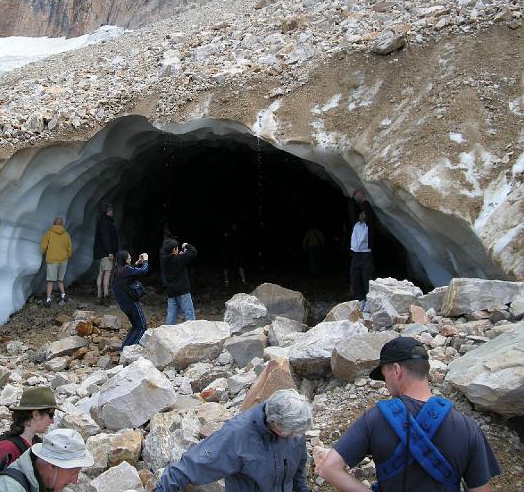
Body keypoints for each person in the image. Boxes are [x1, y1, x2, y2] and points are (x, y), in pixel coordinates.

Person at [317, 337, 502, 491]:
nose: (385, 384)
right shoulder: (468, 427)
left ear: (396, 370)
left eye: (385, 375)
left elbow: (329, 468)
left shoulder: (374, 419)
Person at [154, 389, 313, 492]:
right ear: (275, 424)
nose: (296, 437)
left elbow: (298, 473)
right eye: (292, 433)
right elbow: (187, 468)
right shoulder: (236, 436)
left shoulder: (294, 431)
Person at [0, 387, 59, 468]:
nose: (52, 421)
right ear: (36, 414)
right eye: (51, 415)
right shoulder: (6, 448)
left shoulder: (36, 443)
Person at [0, 428, 94, 492]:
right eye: (73, 472)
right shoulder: (8, 488)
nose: (75, 480)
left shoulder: (43, 481)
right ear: (52, 466)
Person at [111, 249, 149, 349]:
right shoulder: (126, 270)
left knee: (136, 327)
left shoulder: (116, 270)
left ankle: (123, 349)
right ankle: (130, 350)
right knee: (142, 327)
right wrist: (145, 260)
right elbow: (143, 271)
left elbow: (129, 272)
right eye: (129, 257)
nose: (131, 258)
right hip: (132, 303)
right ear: (125, 260)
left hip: (124, 305)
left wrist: (136, 263)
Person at [160, 238, 197, 324]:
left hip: (171, 293)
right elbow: (193, 252)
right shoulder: (180, 259)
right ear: (174, 250)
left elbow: (174, 259)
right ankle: (191, 334)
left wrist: (180, 255)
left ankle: (167, 335)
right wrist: (186, 245)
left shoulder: (164, 261)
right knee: (189, 315)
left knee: (171, 318)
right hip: (183, 292)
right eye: (177, 248)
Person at [348, 190, 375, 304]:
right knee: (355, 278)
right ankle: (361, 299)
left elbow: (370, 214)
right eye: (361, 213)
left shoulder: (369, 226)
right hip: (356, 255)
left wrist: (364, 201)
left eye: (364, 213)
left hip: (366, 254)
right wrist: (351, 199)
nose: (362, 214)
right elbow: (351, 211)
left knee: (367, 279)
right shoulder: (356, 224)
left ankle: (369, 300)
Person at [40, 217, 73, 307]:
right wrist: (67, 256)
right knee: (60, 279)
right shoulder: (66, 235)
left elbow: (43, 246)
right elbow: (70, 248)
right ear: (62, 225)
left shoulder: (49, 233)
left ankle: (48, 299)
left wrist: (44, 253)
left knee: (50, 280)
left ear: (53, 224)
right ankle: (63, 295)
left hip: (52, 260)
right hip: (63, 260)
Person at [92, 203, 118, 305]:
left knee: (101, 273)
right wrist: (110, 251)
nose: (113, 213)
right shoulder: (106, 222)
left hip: (101, 252)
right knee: (107, 272)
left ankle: (99, 295)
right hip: (106, 253)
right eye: (112, 211)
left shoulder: (102, 221)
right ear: (109, 212)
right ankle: (105, 296)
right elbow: (105, 237)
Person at [222, 223, 247, 288]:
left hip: (236, 253)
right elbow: (224, 243)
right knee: (226, 267)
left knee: (240, 266)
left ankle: (243, 281)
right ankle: (226, 282)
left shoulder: (238, 233)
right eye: (233, 225)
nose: (234, 226)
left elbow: (240, 243)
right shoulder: (226, 233)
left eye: (235, 225)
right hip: (227, 253)